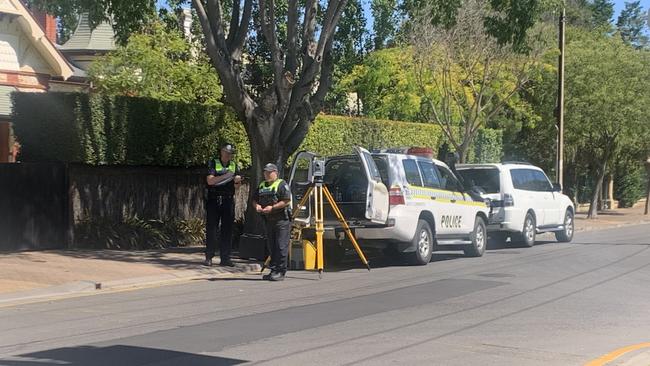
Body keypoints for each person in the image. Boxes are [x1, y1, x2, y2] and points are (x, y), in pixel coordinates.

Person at [205, 143, 242, 267]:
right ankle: (209, 257)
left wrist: (237, 182)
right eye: (226, 152)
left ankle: (225, 258)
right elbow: (210, 181)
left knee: (227, 230)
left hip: (228, 200)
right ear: (221, 152)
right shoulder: (213, 163)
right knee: (212, 229)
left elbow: (237, 187)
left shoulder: (234, 165)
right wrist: (227, 176)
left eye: (230, 153)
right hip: (214, 199)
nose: (228, 155)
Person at [254, 163, 292, 281]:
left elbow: (286, 200)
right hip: (268, 220)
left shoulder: (282, 184)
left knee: (281, 246)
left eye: (269, 172)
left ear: (276, 172)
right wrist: (257, 206)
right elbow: (254, 200)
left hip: (282, 220)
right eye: (265, 172)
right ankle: (273, 270)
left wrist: (273, 207)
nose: (267, 174)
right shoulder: (261, 185)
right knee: (272, 246)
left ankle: (280, 272)